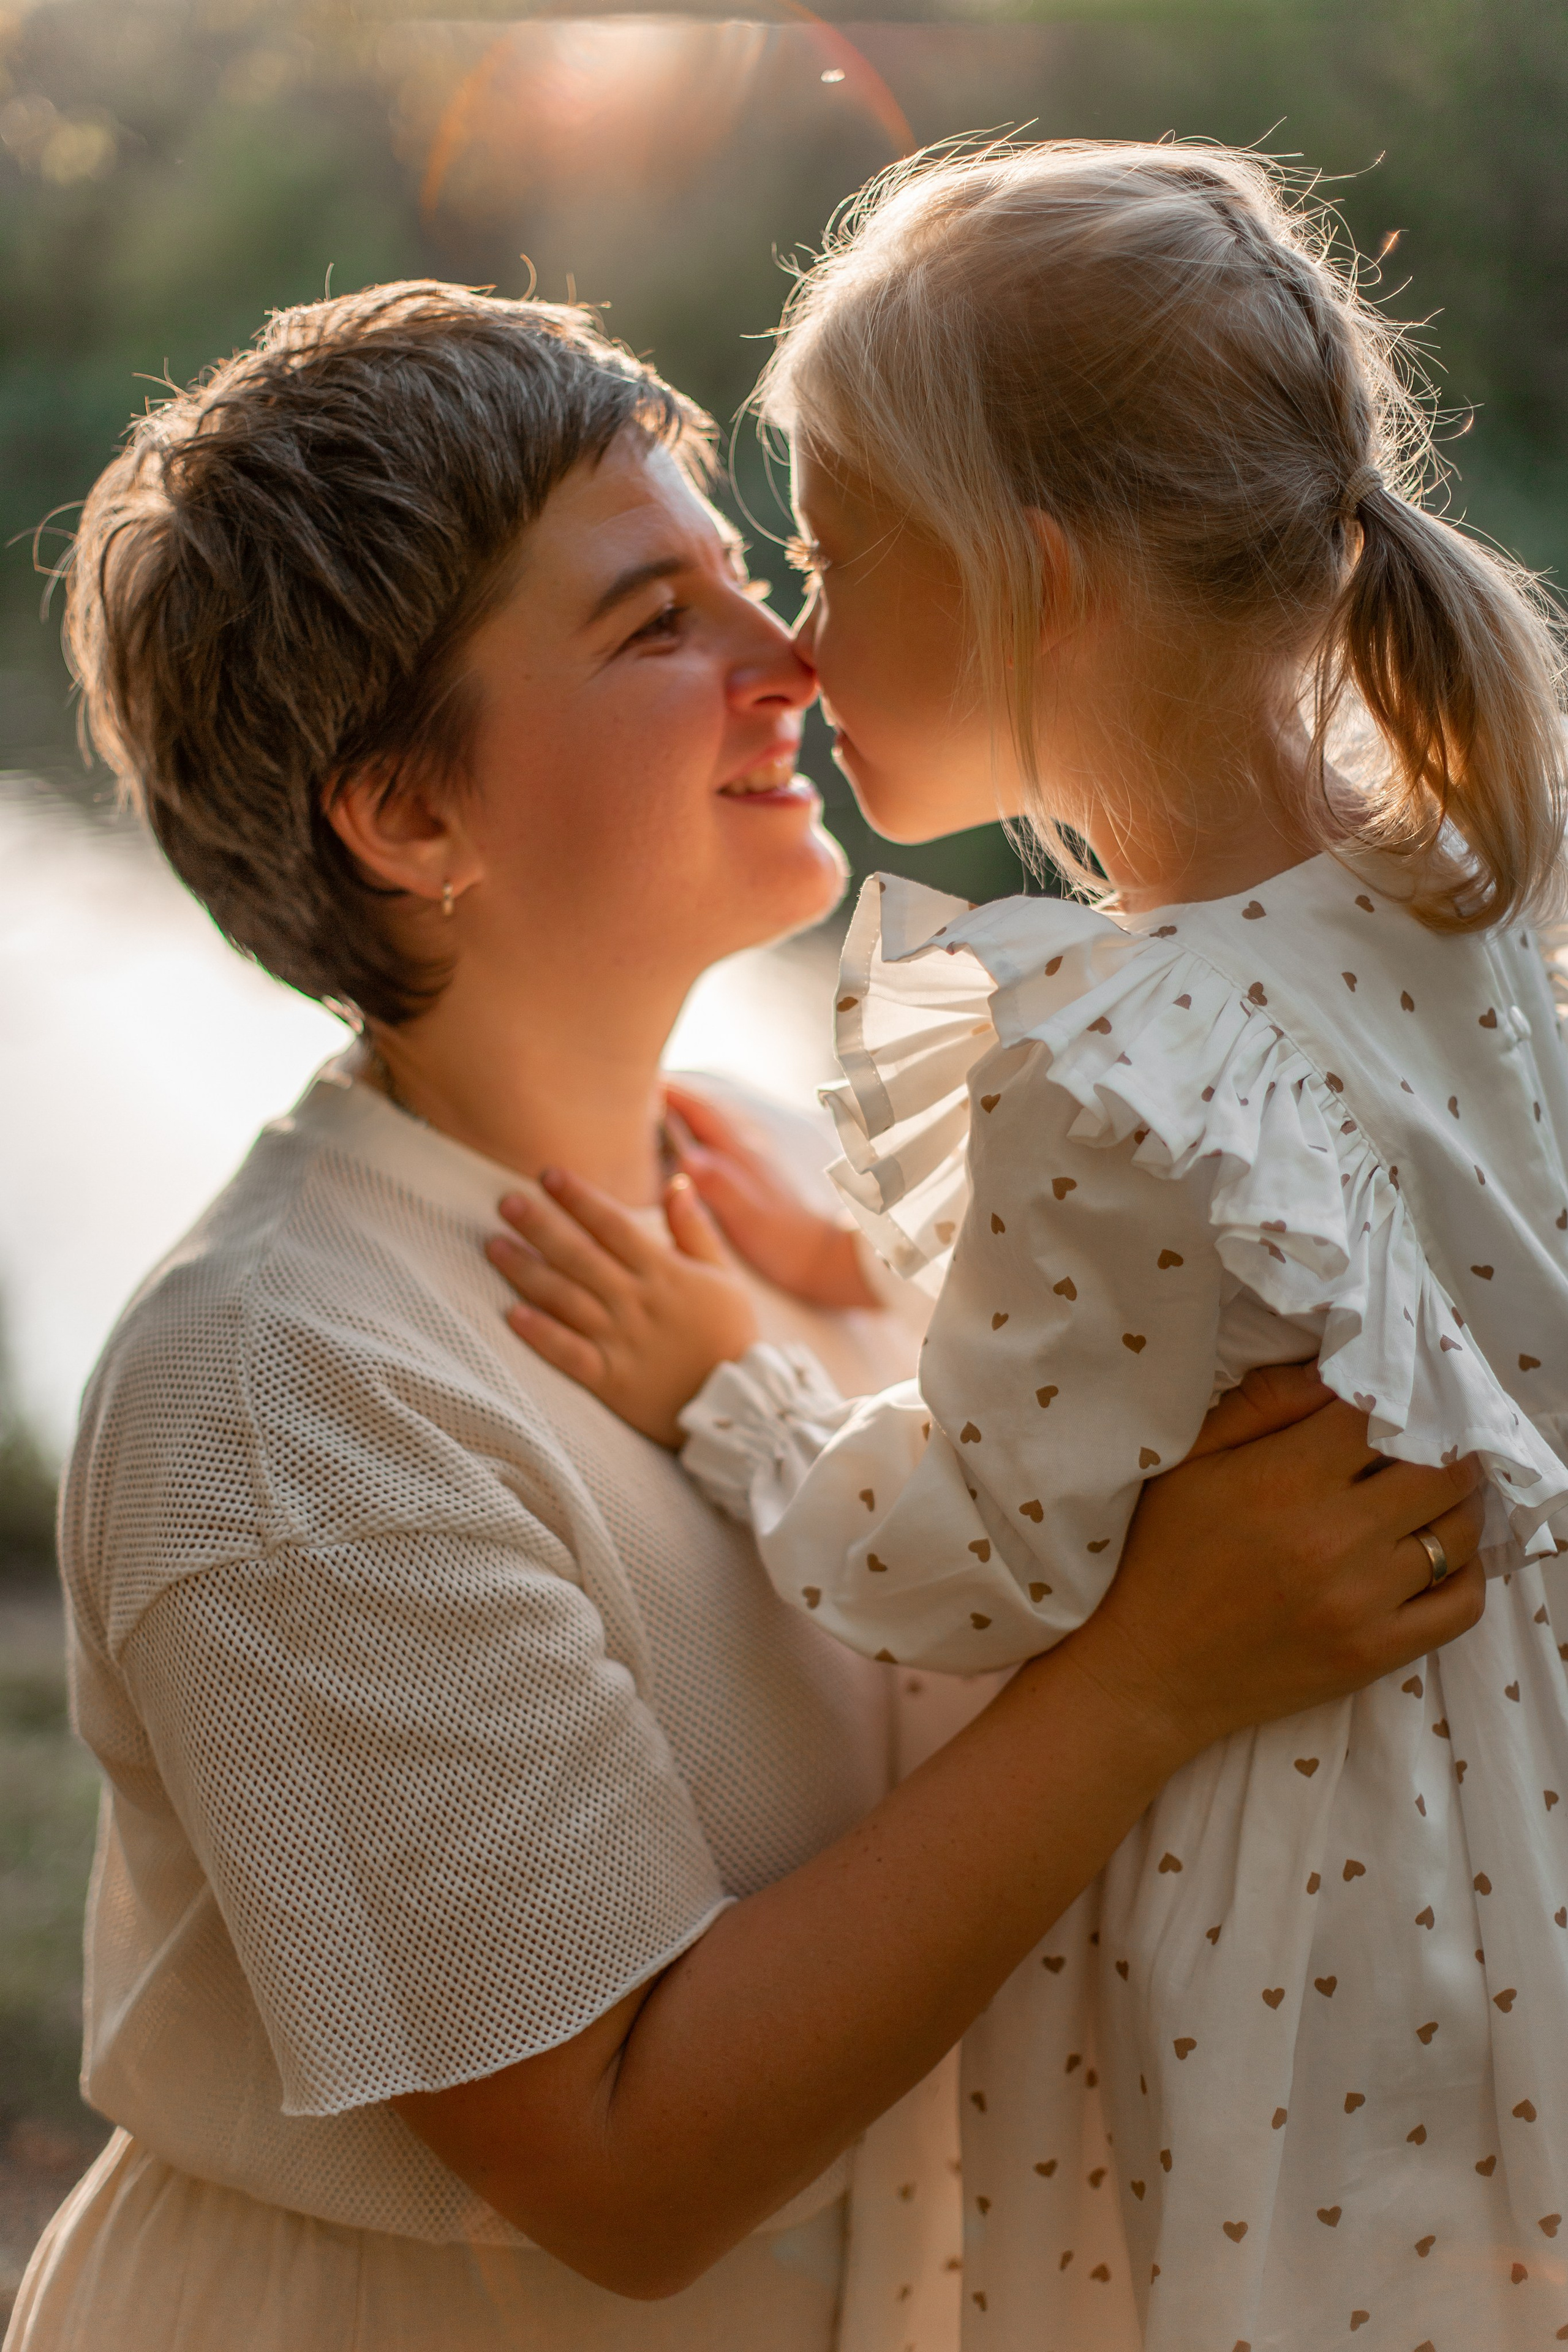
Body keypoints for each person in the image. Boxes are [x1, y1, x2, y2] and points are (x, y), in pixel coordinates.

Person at [6, 281, 1487, 2352]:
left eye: (746, 573)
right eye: (650, 623)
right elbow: (626, 2166)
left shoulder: (798, 1181)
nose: (790, 656)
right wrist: (1155, 1678)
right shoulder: (287, 1394)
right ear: (410, 816)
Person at [483, 148, 1568, 2349]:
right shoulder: (1459, 881)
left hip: (1293, 1906)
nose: (792, 633)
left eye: (829, 549)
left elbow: (974, 1555)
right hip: (1509, 1841)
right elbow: (1241, 1348)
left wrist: (734, 1383)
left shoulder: (1108, 1044)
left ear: (1033, 579)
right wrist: (897, 1265)